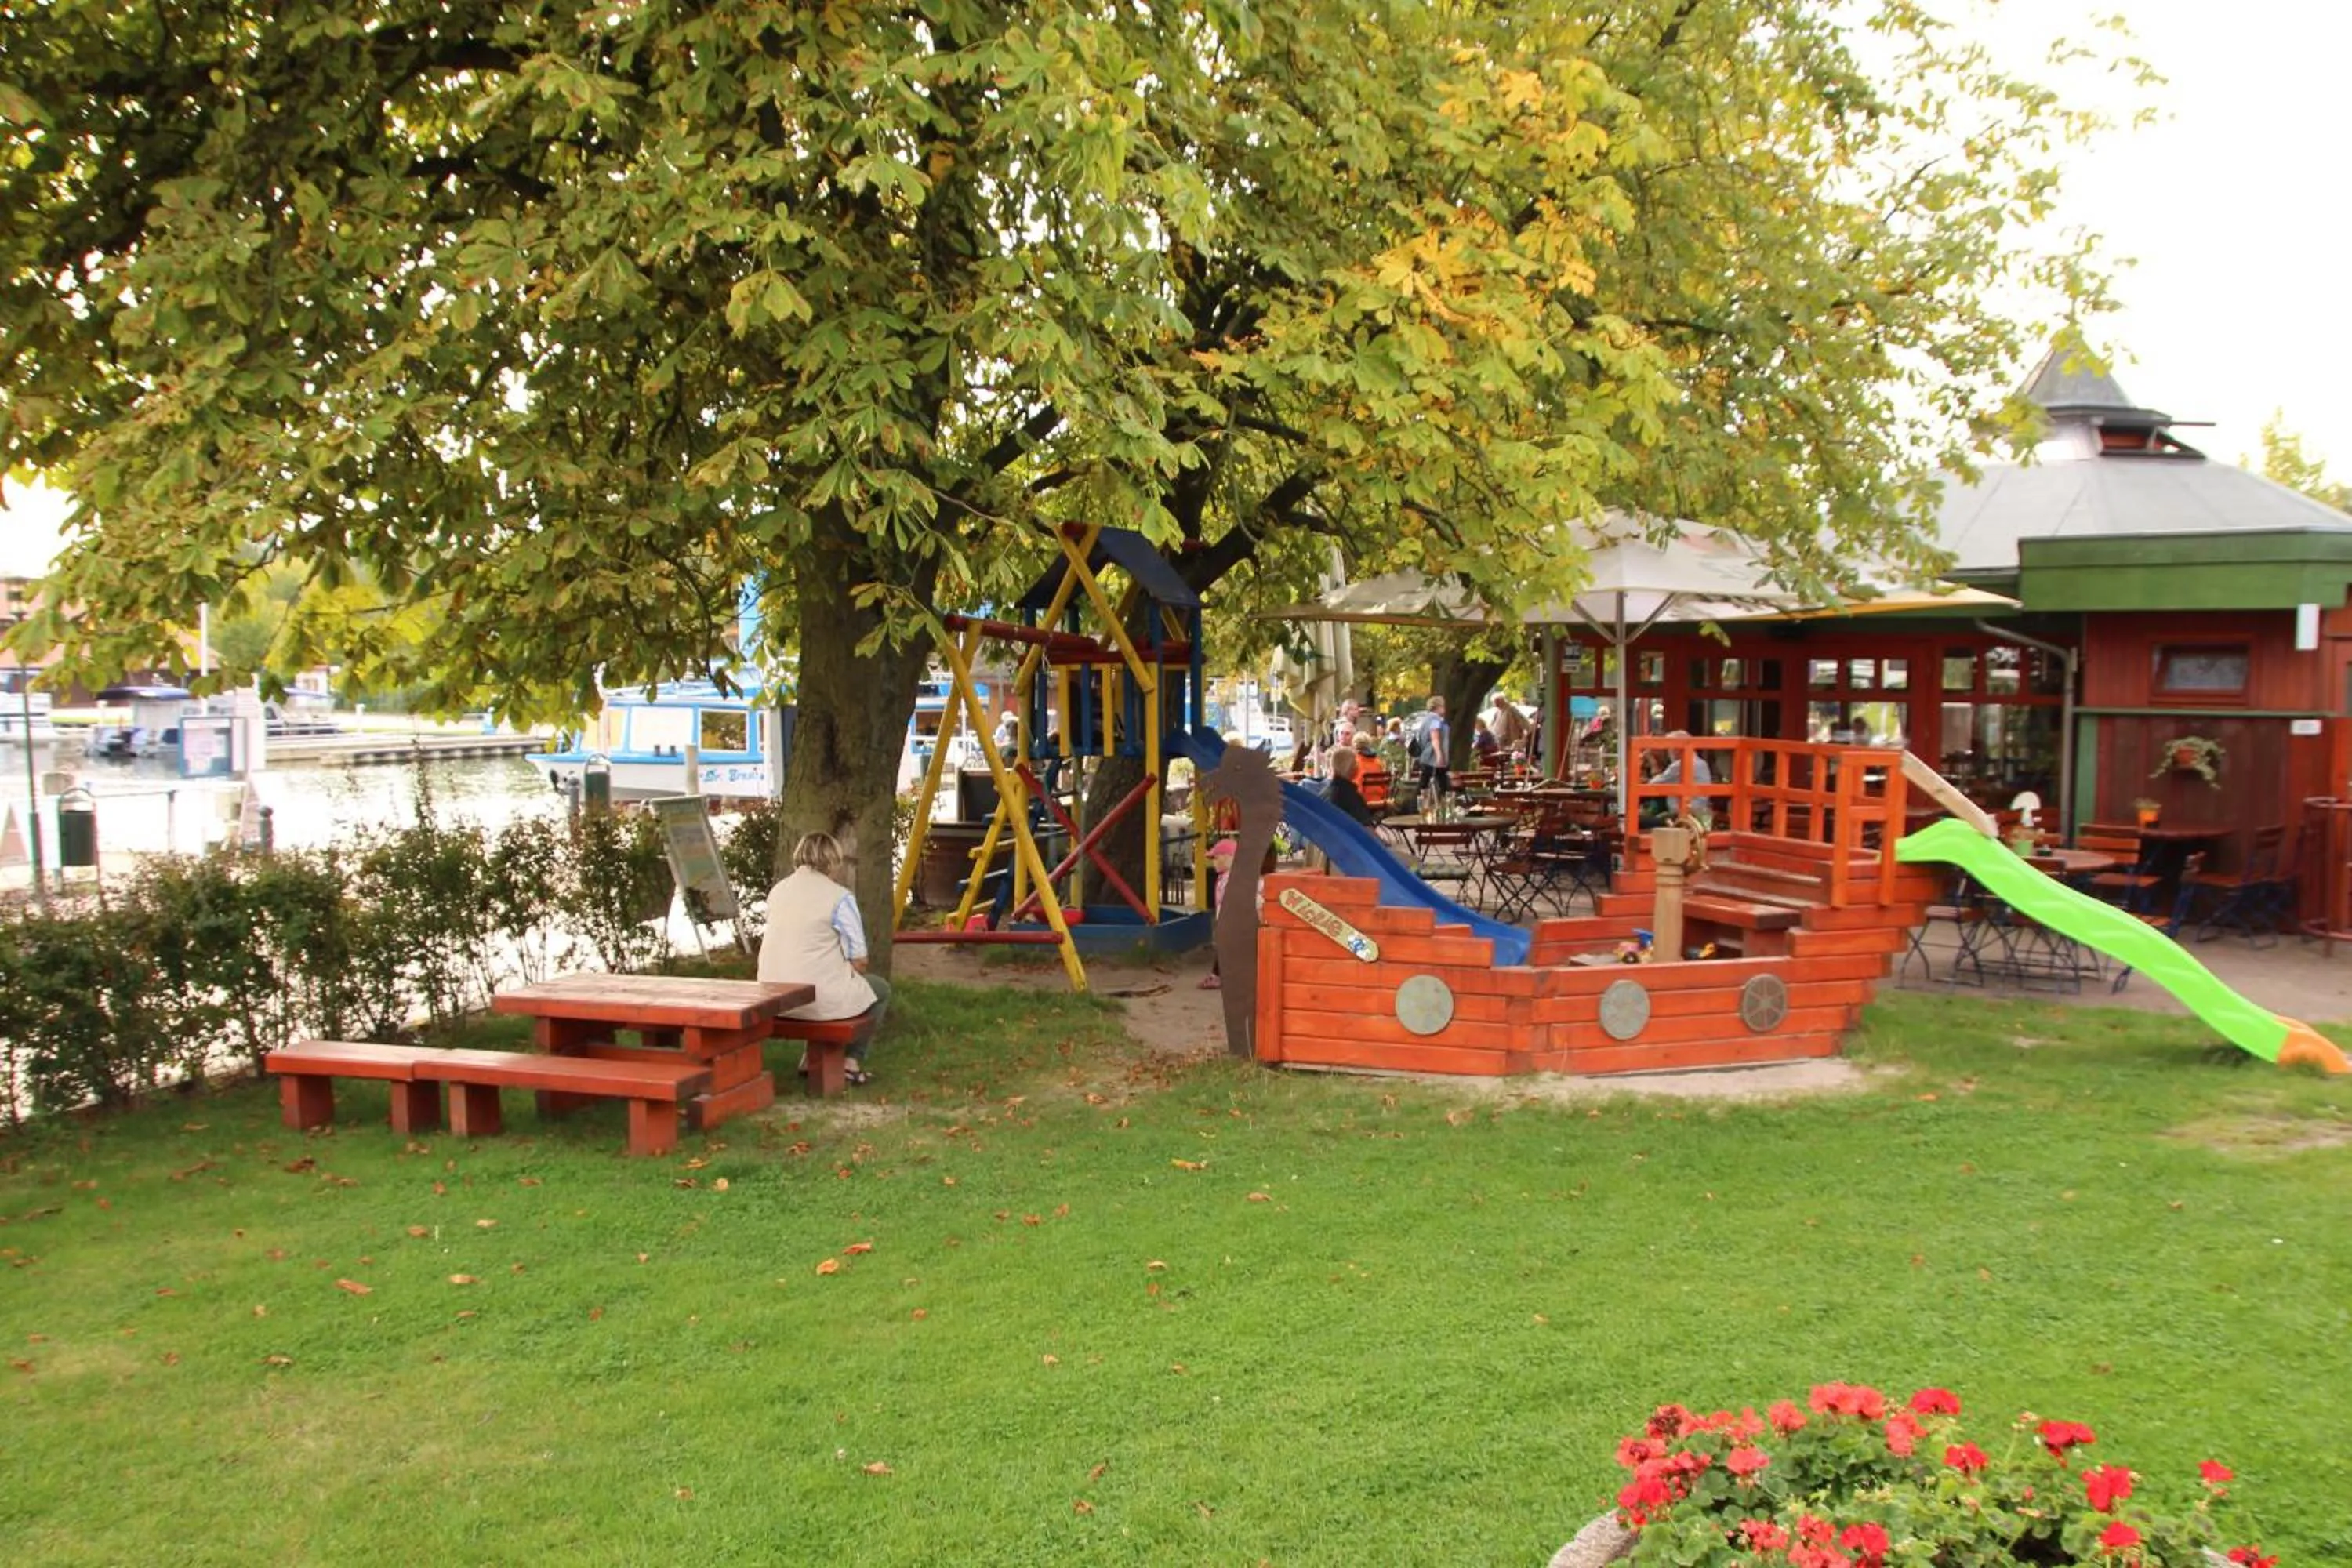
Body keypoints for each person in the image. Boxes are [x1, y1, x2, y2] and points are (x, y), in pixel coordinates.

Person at [758, 830, 888, 1086]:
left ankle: (810, 1059)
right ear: (833, 861)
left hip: (772, 995)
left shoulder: (778, 891)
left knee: (815, 980)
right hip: (817, 999)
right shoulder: (839, 897)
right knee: (879, 989)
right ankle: (851, 1062)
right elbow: (860, 960)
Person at [1639, 730, 1715, 829]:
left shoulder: (1680, 765)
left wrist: (1653, 763)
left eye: (1670, 748)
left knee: (1639, 821)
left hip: (1683, 816)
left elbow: (1653, 785)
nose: (1669, 752)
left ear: (1677, 748)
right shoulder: (1702, 763)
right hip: (1695, 813)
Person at [1407, 695, 1450, 802]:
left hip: (1427, 757)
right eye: (1443, 706)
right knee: (1440, 784)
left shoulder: (1426, 720)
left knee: (1426, 783)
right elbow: (1435, 738)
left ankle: (1414, 804)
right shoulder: (1436, 720)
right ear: (1438, 707)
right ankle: (1414, 804)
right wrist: (1439, 756)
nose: (1445, 708)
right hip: (1433, 758)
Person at [1325, 744, 1377, 827]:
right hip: (1349, 834)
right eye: (1356, 763)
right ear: (1351, 768)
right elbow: (1366, 828)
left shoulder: (1326, 792)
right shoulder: (1351, 795)